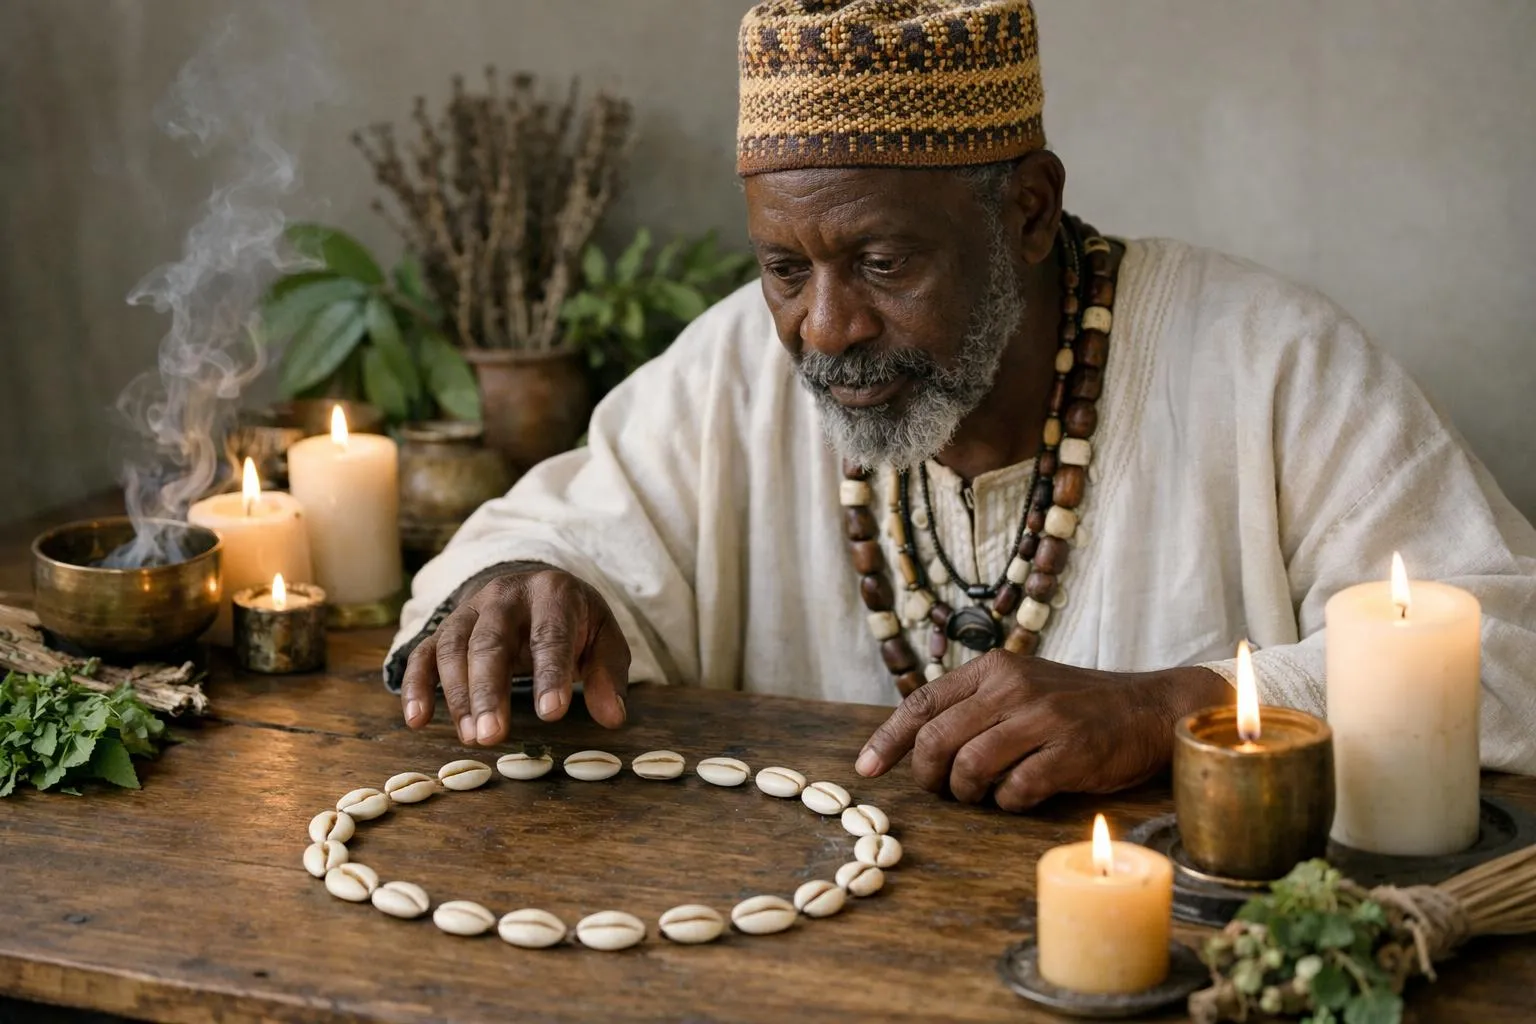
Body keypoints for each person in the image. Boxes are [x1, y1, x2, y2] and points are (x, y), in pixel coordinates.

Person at [386, 0, 1536, 810]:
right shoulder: (737, 365)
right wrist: (525, 592)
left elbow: (1507, 655)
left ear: (1029, 213)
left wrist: (1182, 706)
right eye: (785, 268)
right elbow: (556, 534)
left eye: (884, 261)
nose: (823, 329)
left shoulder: (1271, 362)